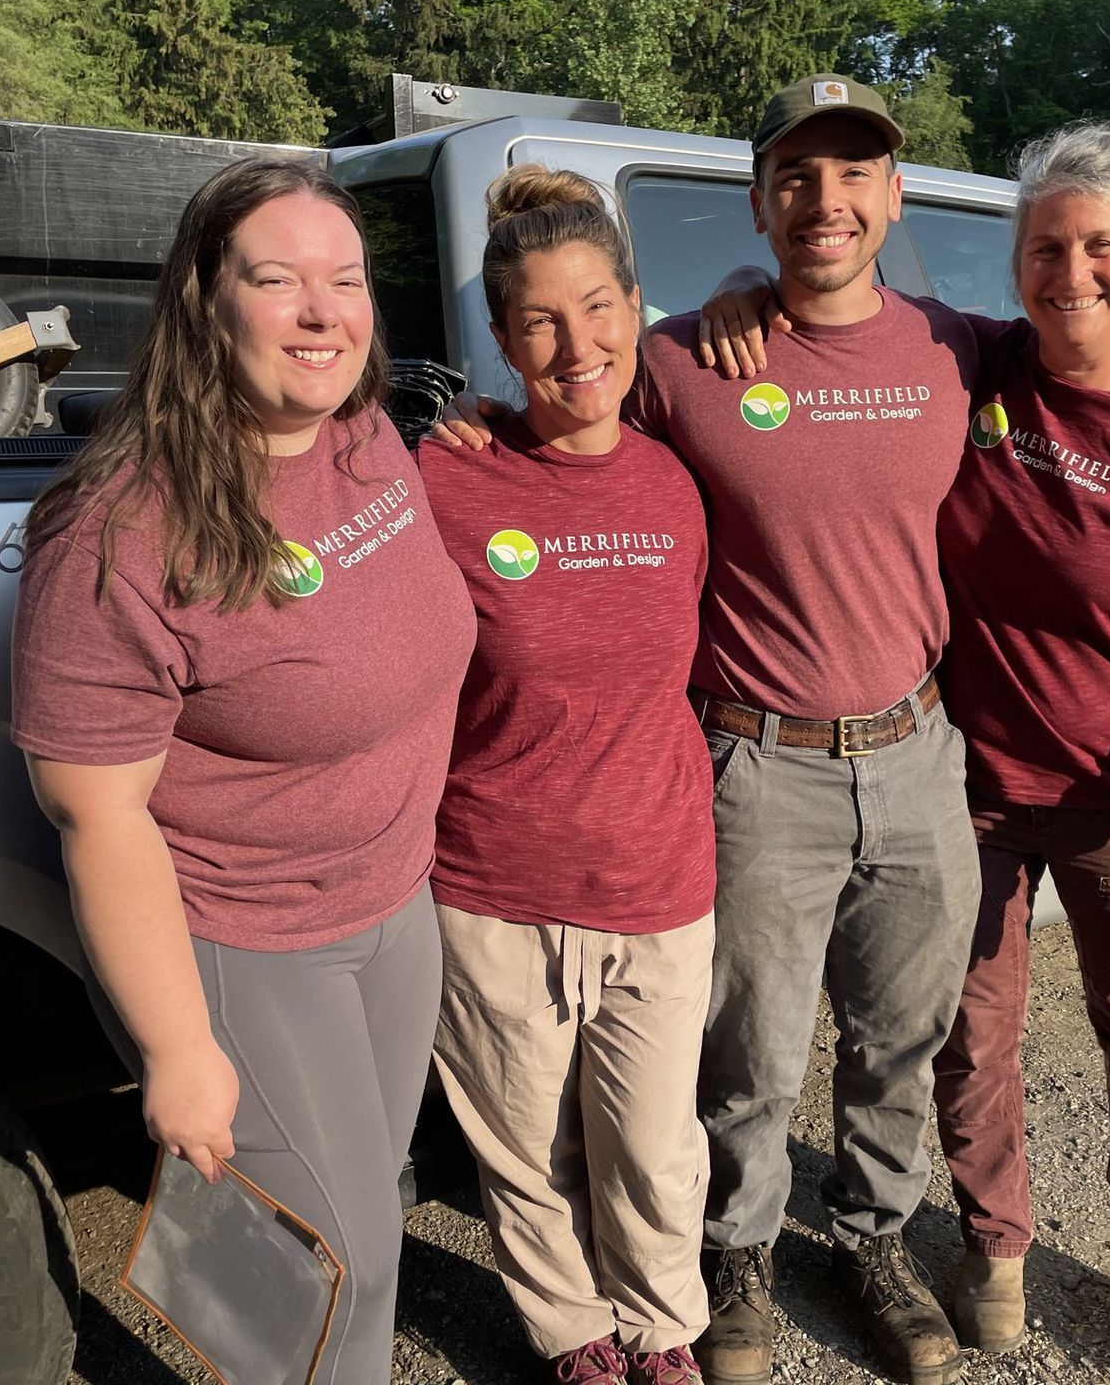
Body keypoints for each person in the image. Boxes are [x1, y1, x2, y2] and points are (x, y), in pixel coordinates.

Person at [699, 121, 1110, 1385]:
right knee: (966, 1037)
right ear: (1013, 264)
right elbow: (834, 326)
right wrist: (741, 297)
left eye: (1102, 248)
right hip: (967, 787)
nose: (1073, 272)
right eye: (1047, 247)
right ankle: (995, 1247)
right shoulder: (977, 364)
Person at [438, 76, 985, 1385]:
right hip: (756, 758)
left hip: (917, 746)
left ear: (892, 194)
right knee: (746, 1047)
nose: (828, 200)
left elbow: (1093, 359)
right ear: (760, 202)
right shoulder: (683, 357)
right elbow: (565, 425)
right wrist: (463, 426)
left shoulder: (960, 345)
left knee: (902, 1032)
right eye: (796, 178)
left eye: (855, 173)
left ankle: (872, 1235)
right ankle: (732, 1255)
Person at [11, 159, 476, 1385]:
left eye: (348, 280)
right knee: (335, 1266)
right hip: (245, 938)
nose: (325, 313)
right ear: (203, 302)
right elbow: (98, 816)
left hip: (388, 903)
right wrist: (177, 1050)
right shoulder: (122, 529)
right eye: (278, 281)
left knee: (359, 1213)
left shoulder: (368, 437)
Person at [419, 164, 716, 1385]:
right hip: (493, 879)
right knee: (529, 1151)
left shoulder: (681, 476)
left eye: (598, 307)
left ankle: (663, 1328)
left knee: (653, 1148)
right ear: (500, 339)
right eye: (537, 320)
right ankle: (574, 1336)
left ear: (637, 306)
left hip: (657, 875)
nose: (575, 343)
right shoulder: (444, 479)